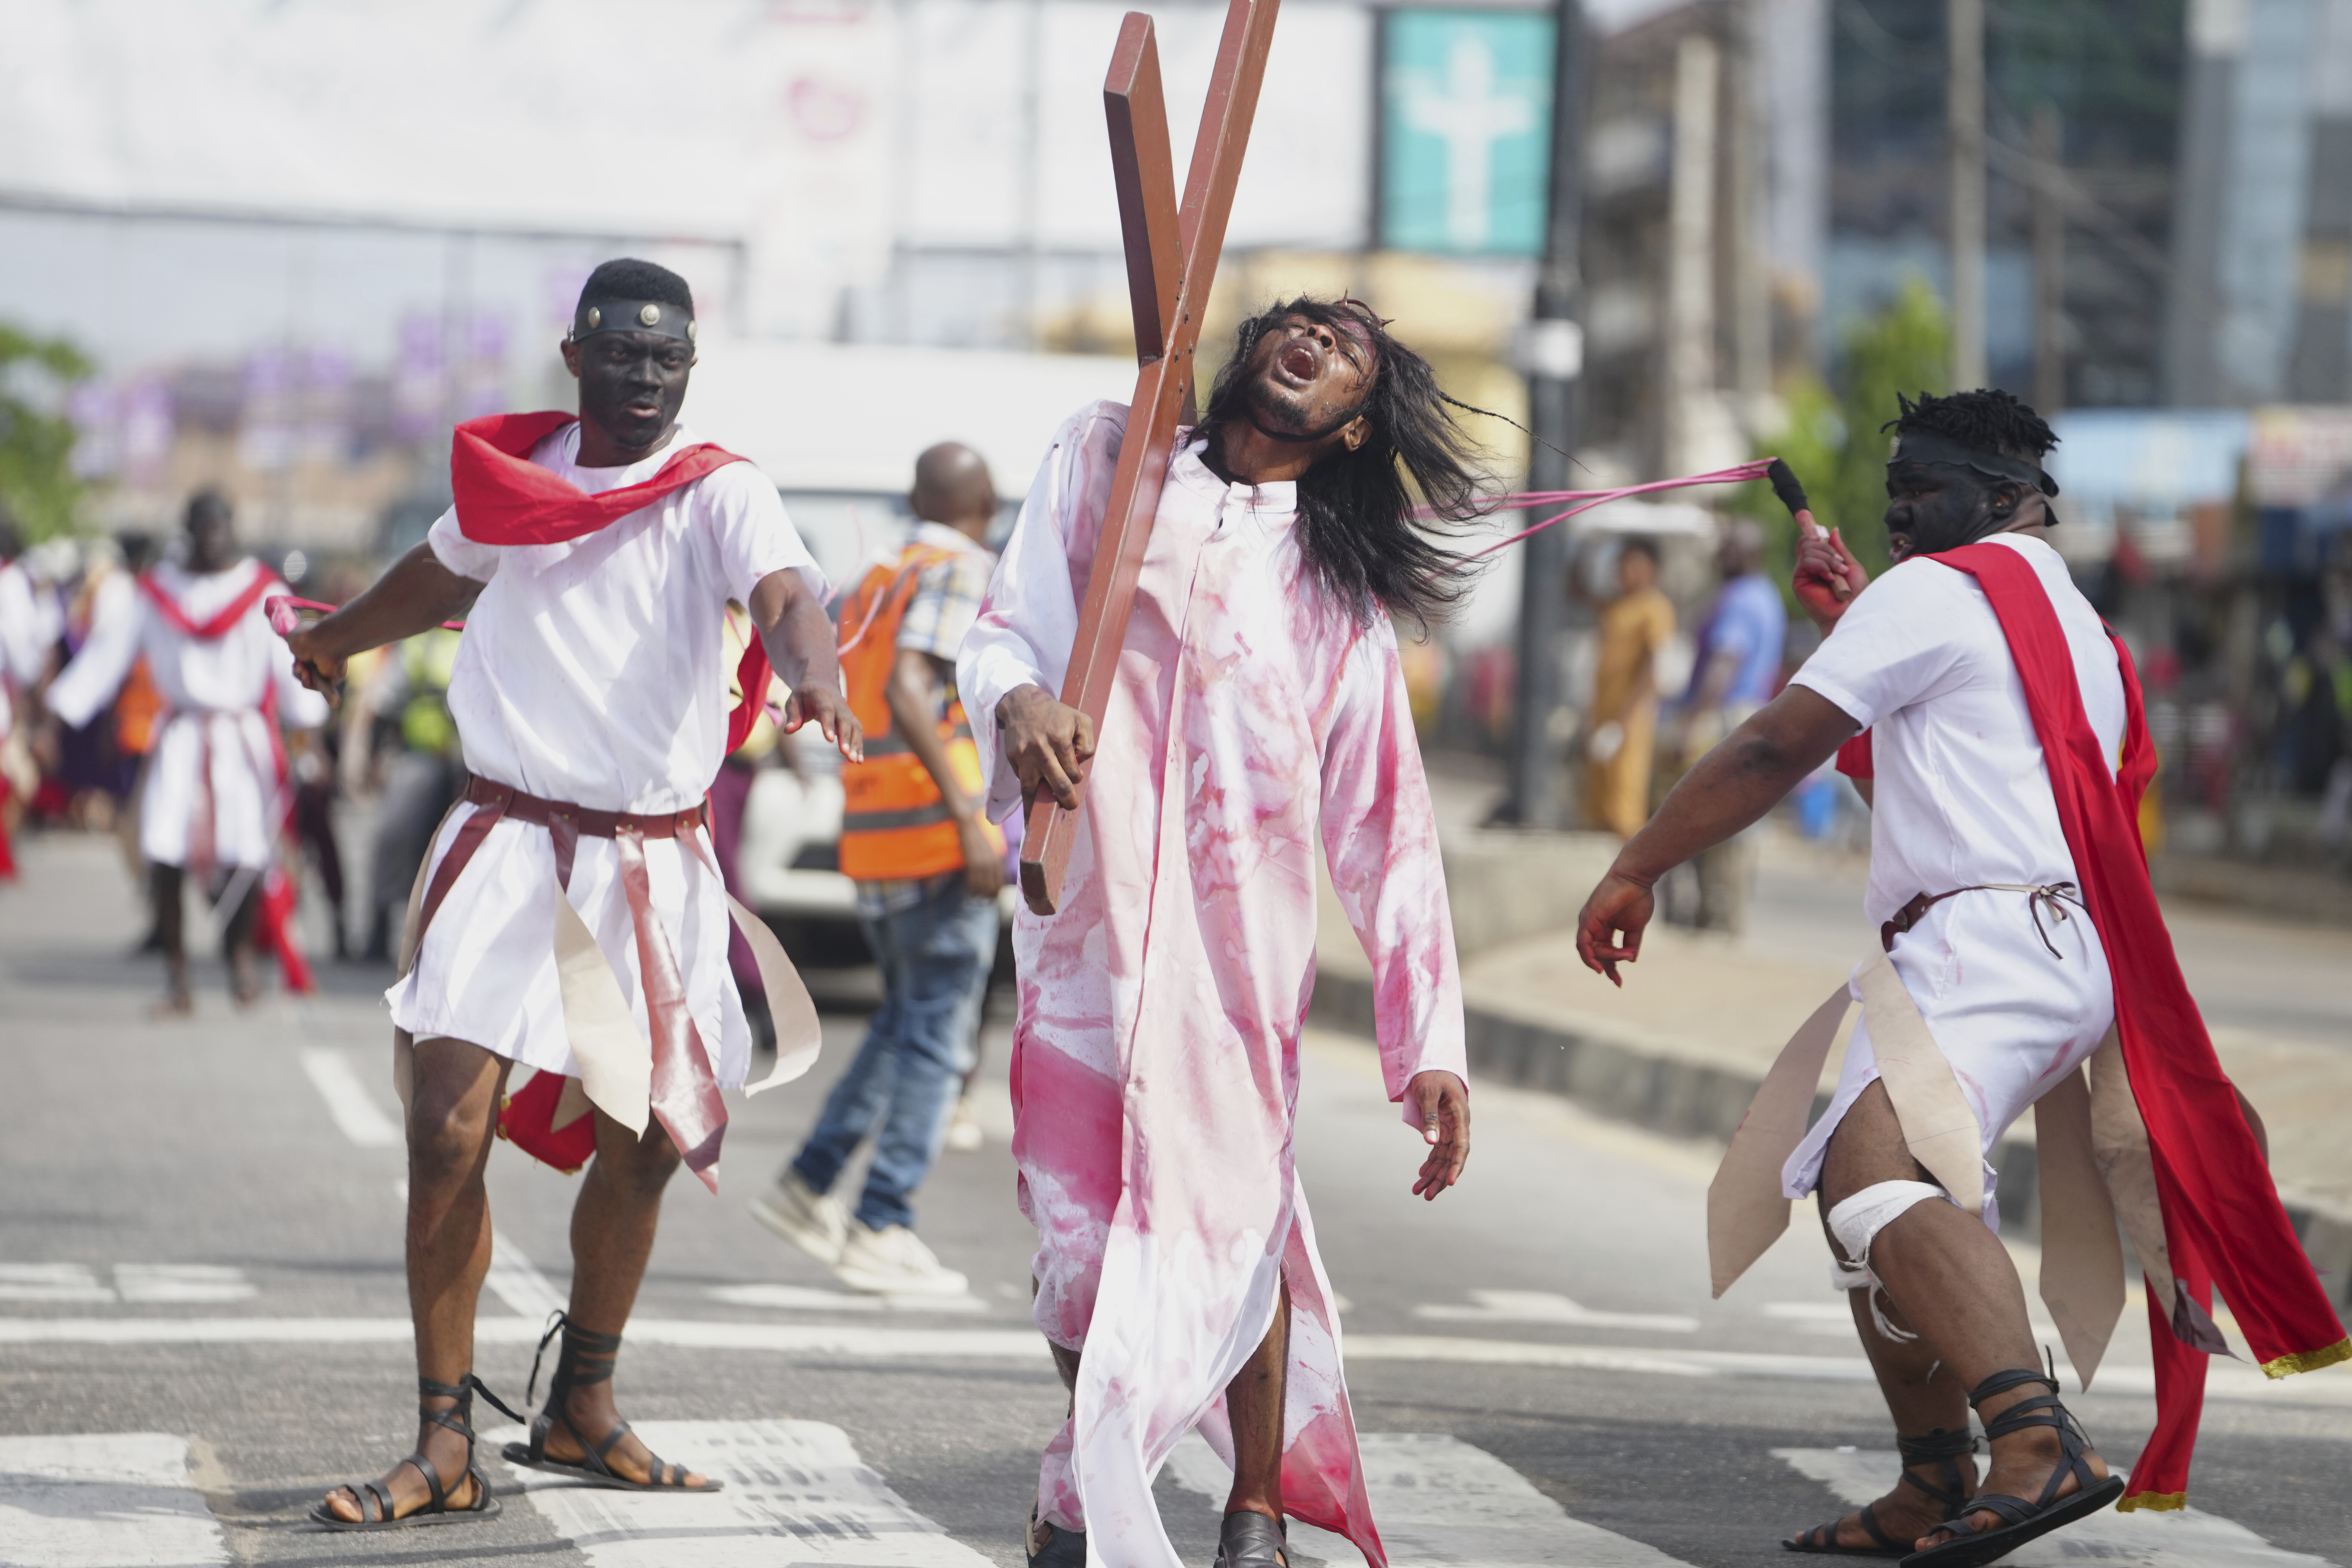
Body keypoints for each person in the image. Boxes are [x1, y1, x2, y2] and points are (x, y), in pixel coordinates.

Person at [1573, 389, 2347, 1564]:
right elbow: (1926, 783)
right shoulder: (2069, 621)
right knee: (1864, 1194)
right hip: (2046, 945)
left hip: (1986, 946)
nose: (1894, 516)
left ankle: (2035, 1445)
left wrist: (1635, 866)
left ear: (1998, 502)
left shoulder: (1936, 592)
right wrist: (1852, 622)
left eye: (1919, 492)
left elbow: (1772, 745)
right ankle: (1932, 1480)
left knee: (1870, 1169)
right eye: (1890, 497)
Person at [281, 258, 860, 1532]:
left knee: (644, 1141)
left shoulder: (720, 488)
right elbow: (435, 576)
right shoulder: (515, 487)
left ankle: (581, 1400)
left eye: (667, 359)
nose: (645, 377)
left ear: (688, 371)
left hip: (653, 859)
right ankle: (443, 1439)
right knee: (445, 1128)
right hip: (507, 839)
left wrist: (809, 665)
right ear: (575, 354)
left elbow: (784, 592)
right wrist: (332, 641)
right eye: (623, 353)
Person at [960, 298, 1474, 1568]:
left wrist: (1431, 1045)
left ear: (1355, 427)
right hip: (1086, 946)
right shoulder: (1105, 458)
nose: (1312, 337)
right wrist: (1020, 700)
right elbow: (1002, 626)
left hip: (1240, 959)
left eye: (1345, 348)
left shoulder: (1332, 596)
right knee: (1077, 1250)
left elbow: (1386, 819)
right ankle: (1085, 1477)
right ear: (1250, 342)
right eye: (1301, 320)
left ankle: (1255, 1511)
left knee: (1241, 1217)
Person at [753, 441, 1005, 1296]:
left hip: (875, 829)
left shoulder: (879, 573)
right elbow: (906, 686)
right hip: (937, 833)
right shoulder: (962, 568)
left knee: (905, 1021)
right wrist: (972, 817)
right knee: (939, 1038)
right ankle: (882, 1221)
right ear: (987, 505)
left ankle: (808, 1184)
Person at [45, 492, 329, 1011]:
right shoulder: (157, 592)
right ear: (190, 530)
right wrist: (60, 712)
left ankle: (239, 956)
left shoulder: (262, 590)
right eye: (203, 526)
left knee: (248, 853)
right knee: (164, 852)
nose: (212, 535)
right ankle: (177, 976)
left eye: (221, 524)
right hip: (180, 737)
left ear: (232, 527)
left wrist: (308, 727)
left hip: (240, 740)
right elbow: (108, 656)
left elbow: (288, 660)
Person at [1665, 517, 1784, 930]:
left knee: (1700, 819)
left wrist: (1691, 722)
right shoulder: (1767, 596)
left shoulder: (1738, 599)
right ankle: (1725, 915)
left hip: (1724, 718)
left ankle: (1713, 916)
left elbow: (1725, 663)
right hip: (1752, 714)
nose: (1721, 554)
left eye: (1729, 546)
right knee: (1736, 825)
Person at [1583, 536, 1673, 838]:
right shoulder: (1618, 605)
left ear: (1652, 568)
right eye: (1622, 563)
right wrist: (1588, 545)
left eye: (1633, 563)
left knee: (1625, 812)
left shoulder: (1654, 608)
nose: (1626, 570)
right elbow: (1576, 591)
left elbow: (1654, 668)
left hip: (1629, 725)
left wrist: (1622, 725)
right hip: (1603, 717)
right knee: (1598, 808)